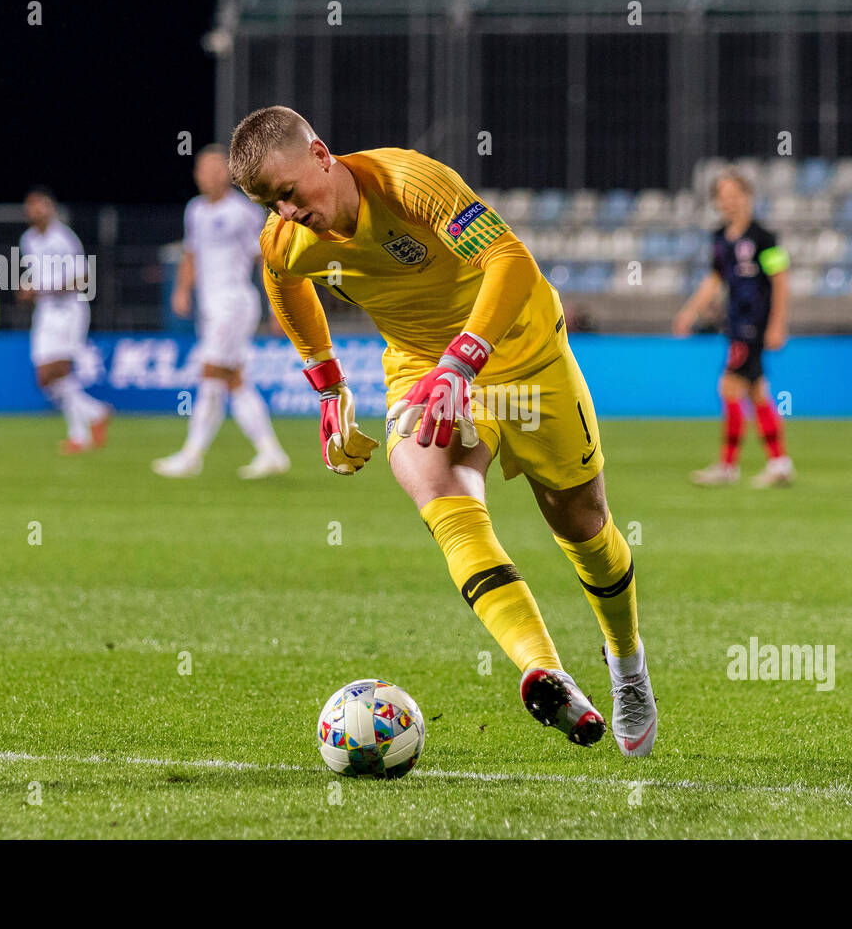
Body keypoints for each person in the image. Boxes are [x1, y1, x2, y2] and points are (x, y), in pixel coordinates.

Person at [227, 105, 656, 756]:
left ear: (320, 154)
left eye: (288, 192)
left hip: (523, 354)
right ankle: (544, 669)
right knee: (437, 484)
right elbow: (283, 282)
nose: (286, 212)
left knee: (581, 523)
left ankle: (626, 664)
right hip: (425, 371)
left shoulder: (408, 183)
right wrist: (328, 382)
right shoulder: (285, 238)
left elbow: (510, 259)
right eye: (270, 204)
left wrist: (465, 358)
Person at [152, 145, 290, 479]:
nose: (209, 175)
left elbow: (266, 260)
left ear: (227, 173)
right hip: (210, 308)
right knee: (235, 380)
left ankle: (191, 455)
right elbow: (191, 253)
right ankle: (271, 452)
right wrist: (182, 289)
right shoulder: (195, 210)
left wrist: (277, 306)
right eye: (203, 169)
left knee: (211, 374)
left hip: (234, 305)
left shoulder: (242, 213)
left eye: (216, 169)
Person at [672, 170, 793, 487]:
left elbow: (780, 280)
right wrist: (690, 312)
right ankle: (779, 463)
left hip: (754, 324)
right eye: (722, 196)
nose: (728, 201)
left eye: (734, 195)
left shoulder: (764, 237)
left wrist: (777, 324)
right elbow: (714, 279)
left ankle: (728, 466)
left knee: (728, 387)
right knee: (757, 392)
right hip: (735, 323)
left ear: (747, 197)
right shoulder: (719, 238)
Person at [18, 187, 110, 454]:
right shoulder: (28, 240)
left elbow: (83, 278)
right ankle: (95, 413)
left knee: (58, 371)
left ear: (51, 208)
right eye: (31, 206)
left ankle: (79, 436)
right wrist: (28, 287)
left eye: (40, 205)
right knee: (44, 378)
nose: (36, 210)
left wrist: (43, 288)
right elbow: (38, 276)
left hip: (69, 310)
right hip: (45, 312)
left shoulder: (64, 238)